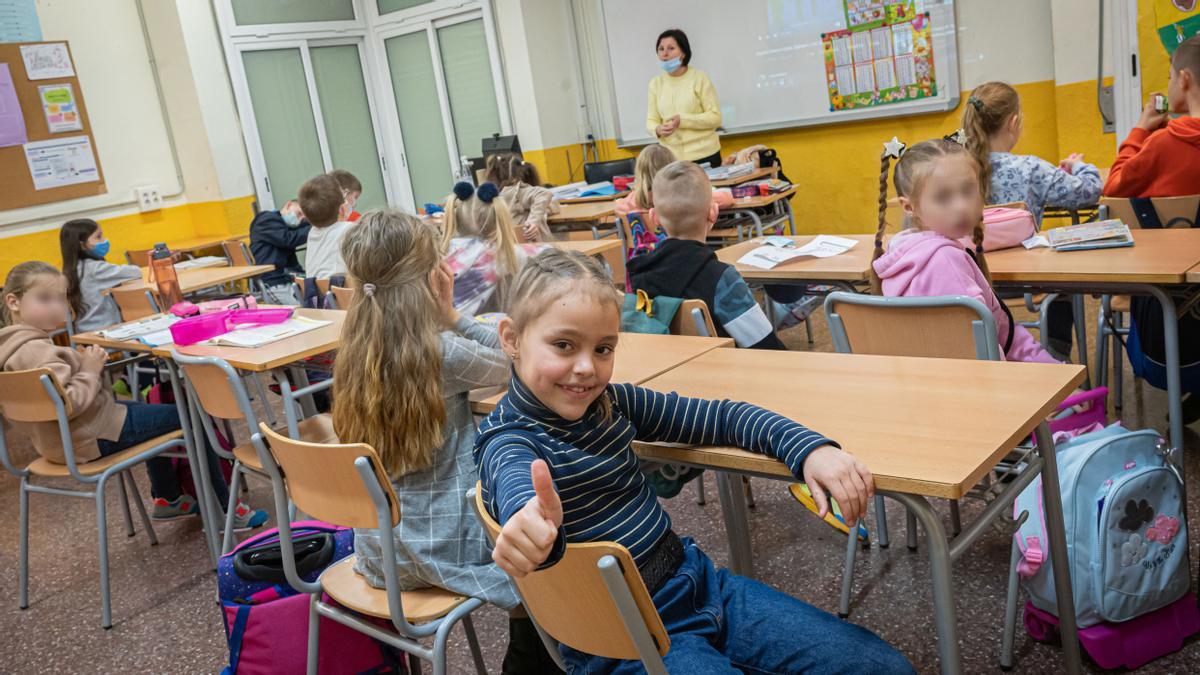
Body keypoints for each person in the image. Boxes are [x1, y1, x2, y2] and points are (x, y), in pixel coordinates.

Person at [475, 248, 913, 673]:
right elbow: (516, 487)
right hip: (625, 640)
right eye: (564, 345)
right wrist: (530, 527)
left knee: (885, 666)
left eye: (603, 349)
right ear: (512, 339)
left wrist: (812, 450)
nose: (587, 368)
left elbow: (724, 417)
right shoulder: (509, 441)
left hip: (697, 586)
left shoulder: (610, 403)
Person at [333, 210, 558, 674]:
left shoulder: (355, 349)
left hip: (380, 555)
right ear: (432, 281)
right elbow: (515, 357)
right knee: (544, 543)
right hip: (448, 550)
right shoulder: (439, 353)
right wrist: (452, 315)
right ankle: (530, 659)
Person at [0, 261, 266, 528]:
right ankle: (225, 511)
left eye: (61, 298)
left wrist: (83, 367)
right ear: (13, 302)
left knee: (152, 413)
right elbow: (68, 403)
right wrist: (90, 371)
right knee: (192, 416)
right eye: (44, 299)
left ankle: (168, 498)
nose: (56, 307)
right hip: (92, 435)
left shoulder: (13, 350)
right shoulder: (35, 350)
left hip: (57, 443)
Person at [871, 137, 1058, 364]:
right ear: (909, 207)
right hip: (978, 387)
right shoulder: (947, 260)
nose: (961, 206)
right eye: (943, 197)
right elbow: (984, 349)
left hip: (929, 384)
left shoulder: (900, 249)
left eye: (968, 190)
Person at [962, 81, 1103, 359]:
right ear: (1013, 122)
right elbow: (1088, 191)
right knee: (1065, 281)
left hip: (971, 280)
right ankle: (1055, 353)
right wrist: (1079, 166)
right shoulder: (1030, 168)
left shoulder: (955, 166)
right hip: (1026, 281)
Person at [628, 161, 803, 350]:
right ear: (713, 213)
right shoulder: (722, 278)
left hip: (667, 375)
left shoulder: (638, 275)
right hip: (725, 375)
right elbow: (765, 345)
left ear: (654, 218)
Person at [1103, 34, 1200, 197]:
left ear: (1184, 79)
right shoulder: (1169, 138)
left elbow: (1113, 188)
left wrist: (1140, 130)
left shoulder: (1163, 143)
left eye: (1170, 77)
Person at [442, 181, 548, 316]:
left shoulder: (440, 252)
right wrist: (536, 238)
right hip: (474, 332)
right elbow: (550, 256)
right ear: (500, 217)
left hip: (435, 332)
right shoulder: (500, 254)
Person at [646, 28, 722, 165]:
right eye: (661, 49)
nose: (665, 54)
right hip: (671, 159)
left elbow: (715, 117)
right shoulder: (655, 83)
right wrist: (657, 129)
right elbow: (651, 120)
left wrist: (683, 120)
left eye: (671, 48)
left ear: (683, 53)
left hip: (705, 155)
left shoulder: (699, 78)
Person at [59, 219, 143, 332]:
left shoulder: (70, 269)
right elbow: (136, 272)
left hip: (83, 330)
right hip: (105, 330)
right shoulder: (95, 269)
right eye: (98, 237)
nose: (104, 241)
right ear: (82, 245)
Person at [613, 143, 733, 218]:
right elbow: (726, 199)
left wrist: (619, 201)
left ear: (639, 172)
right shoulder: (680, 193)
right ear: (672, 165)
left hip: (646, 256)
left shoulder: (633, 200)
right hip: (681, 252)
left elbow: (619, 207)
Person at [484, 153, 560, 242]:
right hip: (532, 247)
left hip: (518, 245)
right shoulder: (516, 192)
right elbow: (545, 194)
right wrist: (534, 221)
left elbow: (547, 200)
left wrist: (535, 217)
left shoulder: (506, 193)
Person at [249, 199, 309, 306]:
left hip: (286, 279)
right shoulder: (266, 220)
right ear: (288, 204)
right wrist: (316, 227)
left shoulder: (285, 226)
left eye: (303, 219)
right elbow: (288, 239)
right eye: (299, 213)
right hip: (272, 283)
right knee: (306, 310)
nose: (299, 220)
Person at [299, 174, 352, 280]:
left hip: (322, 295)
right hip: (346, 294)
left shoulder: (313, 233)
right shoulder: (350, 230)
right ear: (342, 209)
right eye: (345, 195)